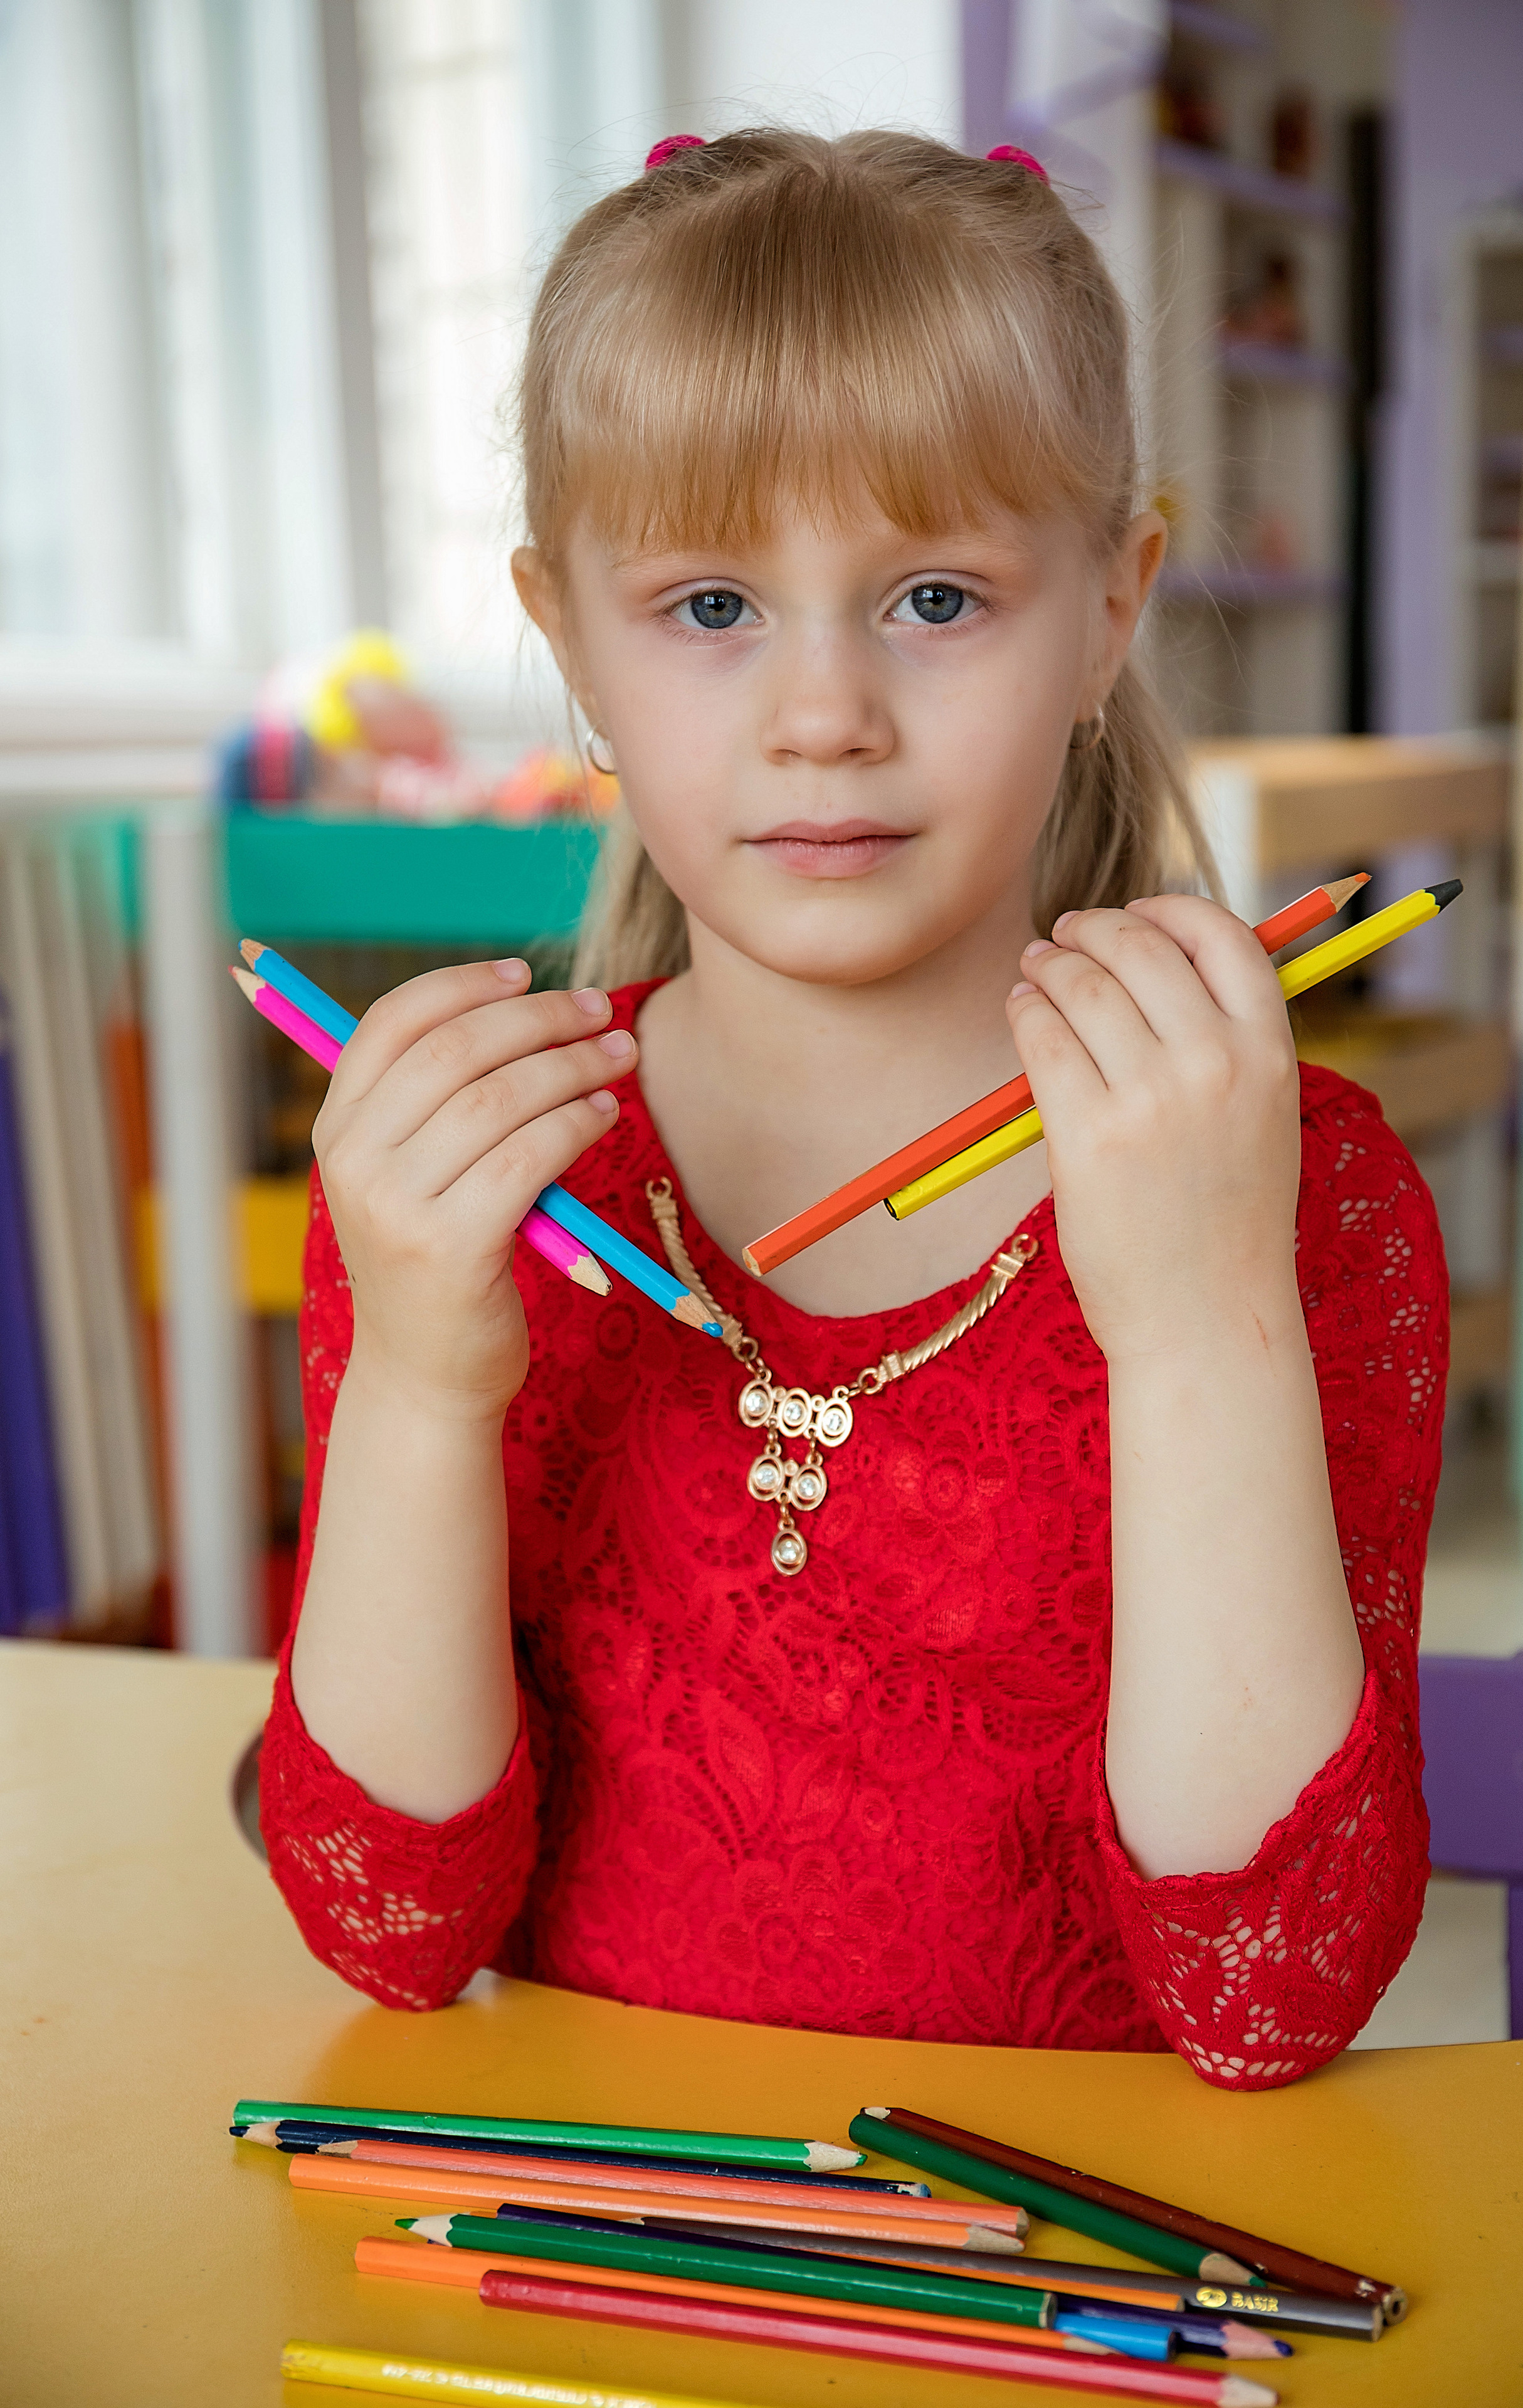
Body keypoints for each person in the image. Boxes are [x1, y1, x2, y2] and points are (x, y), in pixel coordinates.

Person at [260, 130, 1445, 2089]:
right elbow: (388, 1929)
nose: (825, 714)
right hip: (577, 2279)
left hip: (1078, 2313)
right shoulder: (476, 1190)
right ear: (564, 637)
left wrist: (1195, 1320)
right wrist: (419, 1382)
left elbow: (1273, 2000)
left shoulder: (1297, 1191)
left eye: (937, 599)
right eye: (712, 607)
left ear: (1111, 607)